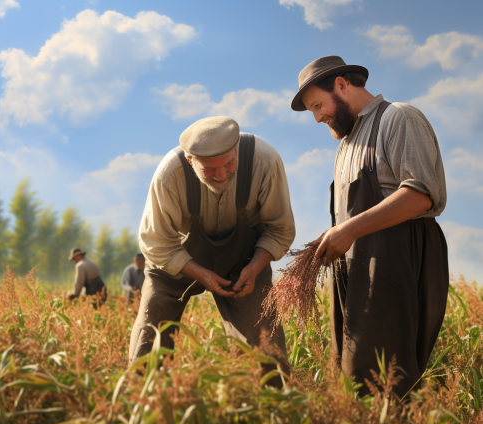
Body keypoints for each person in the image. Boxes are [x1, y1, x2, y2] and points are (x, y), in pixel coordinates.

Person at [291, 55, 449, 398]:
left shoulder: (399, 118)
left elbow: (420, 194)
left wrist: (348, 231)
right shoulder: (346, 144)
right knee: (349, 370)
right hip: (356, 266)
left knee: (387, 377)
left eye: (318, 106)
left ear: (342, 85)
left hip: (397, 261)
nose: (318, 118)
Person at [129, 116, 295, 384]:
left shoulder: (264, 161)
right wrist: (202, 274)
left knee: (265, 339)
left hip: (245, 260)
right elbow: (156, 242)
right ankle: (144, 401)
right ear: (191, 161)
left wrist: (254, 268)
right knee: (151, 328)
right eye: (209, 169)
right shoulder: (169, 174)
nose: (221, 175)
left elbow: (280, 229)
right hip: (177, 260)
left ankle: (270, 405)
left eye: (229, 163)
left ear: (237, 148)